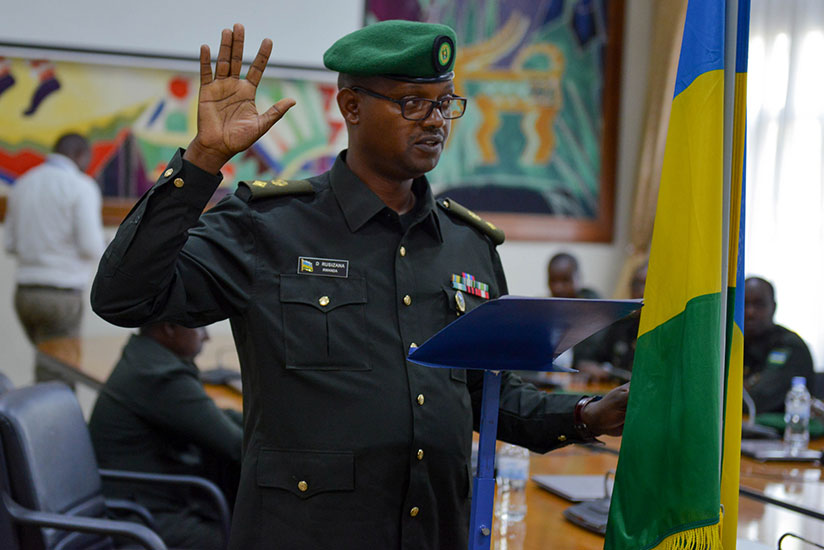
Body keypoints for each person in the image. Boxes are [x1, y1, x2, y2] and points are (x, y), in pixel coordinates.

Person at [91, 21, 630, 549]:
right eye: (412, 103)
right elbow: (124, 296)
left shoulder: (470, 245)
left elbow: (485, 392)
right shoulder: (268, 225)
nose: (435, 121)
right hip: (308, 533)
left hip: (438, 528)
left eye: (445, 104)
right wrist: (203, 161)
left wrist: (586, 416)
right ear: (351, 106)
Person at [88, 322, 242, 550]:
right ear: (169, 327)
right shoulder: (159, 376)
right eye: (199, 326)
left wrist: (264, 424)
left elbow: (217, 417)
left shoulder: (146, 358)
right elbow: (235, 445)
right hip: (139, 515)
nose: (207, 337)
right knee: (249, 535)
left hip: (140, 499)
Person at [4, 132, 105, 381]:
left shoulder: (23, 183)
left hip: (25, 294)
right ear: (80, 155)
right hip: (61, 297)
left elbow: (10, 244)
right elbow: (91, 247)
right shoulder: (81, 186)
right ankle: (47, 419)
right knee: (58, 375)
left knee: (46, 364)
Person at [744, 276, 814, 414]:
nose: (750, 312)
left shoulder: (790, 346)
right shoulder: (734, 344)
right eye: (744, 304)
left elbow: (755, 401)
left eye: (759, 304)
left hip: (785, 433)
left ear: (773, 307)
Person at [574, 262, 647, 382]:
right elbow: (593, 361)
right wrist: (592, 369)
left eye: (647, 284)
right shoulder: (620, 327)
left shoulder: (669, 331)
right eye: (636, 285)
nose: (641, 291)